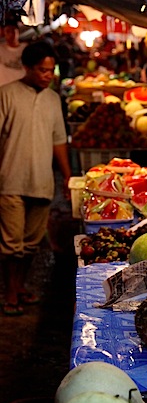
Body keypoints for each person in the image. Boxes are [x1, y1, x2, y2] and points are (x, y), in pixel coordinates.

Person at [0, 41, 72, 316]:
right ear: (27, 68)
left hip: (41, 182)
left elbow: (58, 141)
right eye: (42, 70)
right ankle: (10, 290)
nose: (47, 75)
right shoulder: (6, 95)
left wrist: (67, 177)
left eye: (51, 71)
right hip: (10, 181)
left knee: (30, 244)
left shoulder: (54, 99)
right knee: (11, 246)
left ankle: (20, 287)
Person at [0, 16, 27, 86]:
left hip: (22, 87)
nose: (12, 34)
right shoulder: (1, 49)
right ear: (4, 33)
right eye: (8, 31)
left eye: (14, 30)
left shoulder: (26, 49)